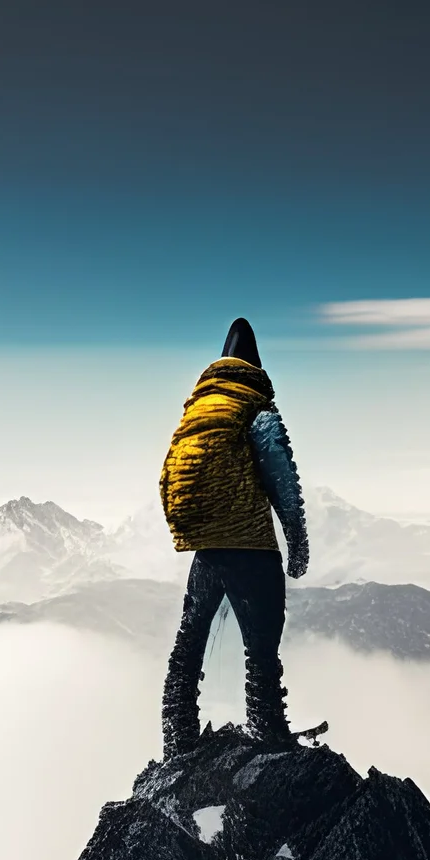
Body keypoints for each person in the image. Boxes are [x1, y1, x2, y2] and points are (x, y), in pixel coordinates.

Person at [157, 317, 310, 758]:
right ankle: (265, 726)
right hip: (250, 547)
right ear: (255, 369)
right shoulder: (257, 410)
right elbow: (282, 480)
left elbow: (168, 479)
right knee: (261, 644)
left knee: (189, 640)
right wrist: (297, 543)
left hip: (206, 548)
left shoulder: (198, 412)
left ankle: (177, 734)